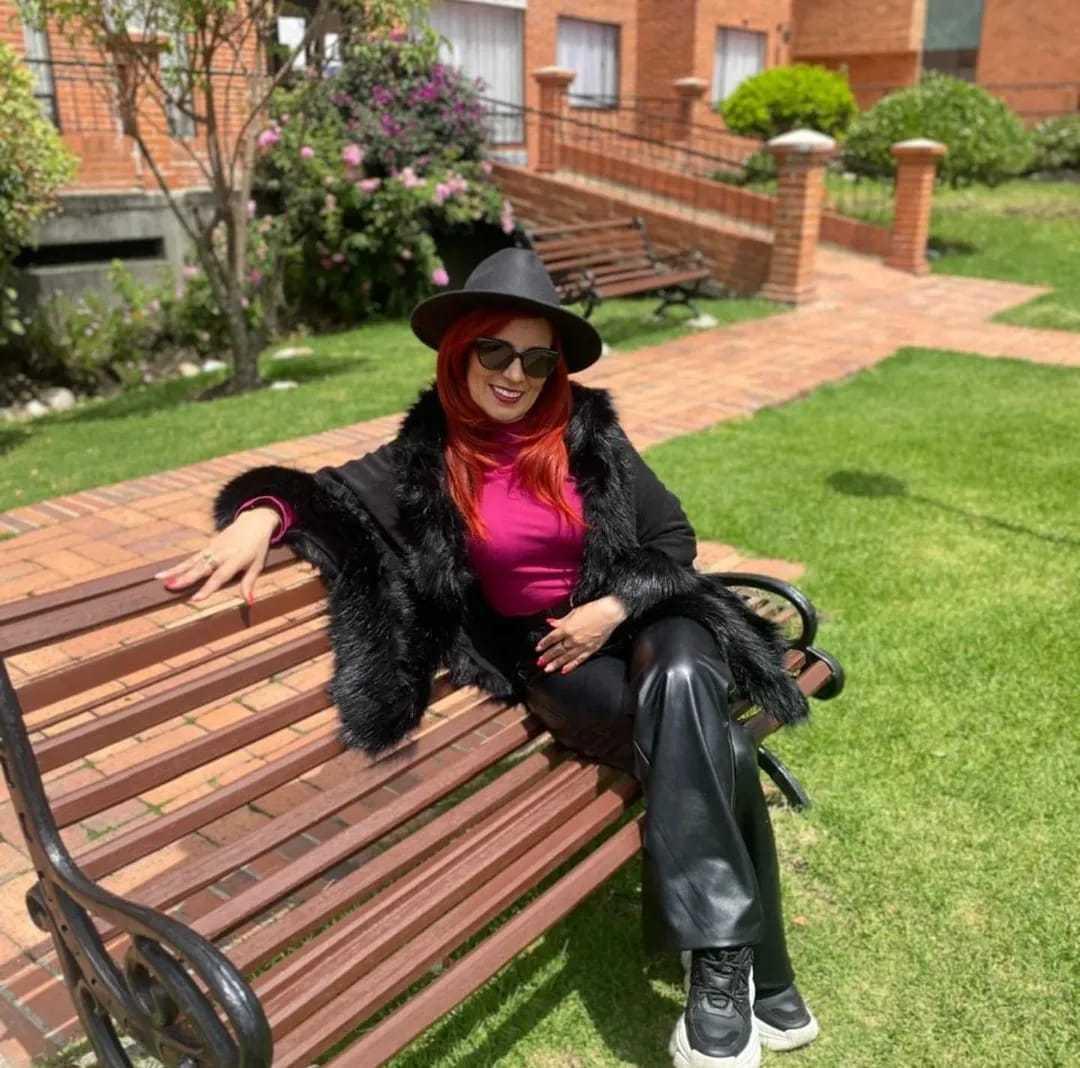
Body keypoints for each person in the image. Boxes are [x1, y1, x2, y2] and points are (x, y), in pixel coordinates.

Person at [155, 248, 819, 1067]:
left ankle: (717, 967)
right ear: (460, 351)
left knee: (683, 672)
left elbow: (671, 538)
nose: (515, 375)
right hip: (550, 658)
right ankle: (762, 977)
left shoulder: (587, 432)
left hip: (651, 620)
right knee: (715, 742)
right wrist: (258, 515)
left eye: (537, 360)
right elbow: (319, 494)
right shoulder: (425, 459)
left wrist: (612, 607)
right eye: (496, 351)